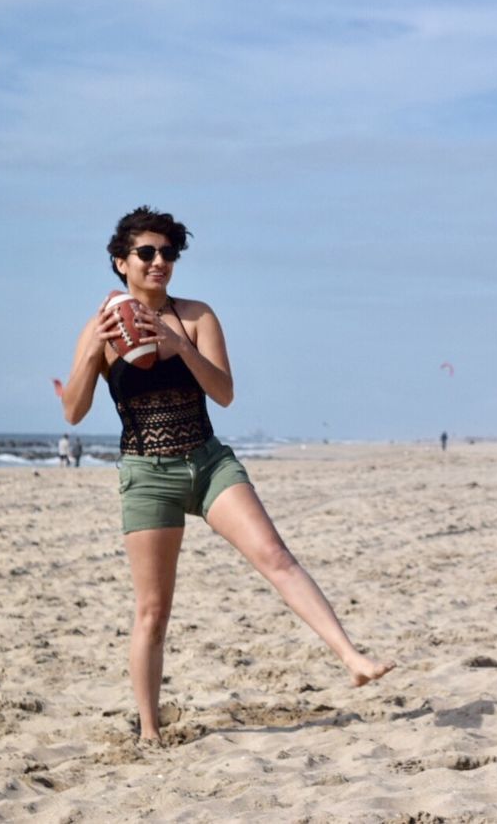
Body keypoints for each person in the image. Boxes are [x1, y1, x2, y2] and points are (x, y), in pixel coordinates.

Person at [59, 206, 393, 742]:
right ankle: (149, 730)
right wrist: (89, 353)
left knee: (277, 557)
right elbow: (73, 412)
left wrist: (179, 346)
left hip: (208, 461)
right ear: (121, 262)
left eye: (168, 253)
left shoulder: (196, 316)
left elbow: (225, 392)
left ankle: (351, 657)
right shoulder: (100, 328)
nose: (159, 262)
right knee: (153, 609)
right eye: (147, 252)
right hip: (148, 472)